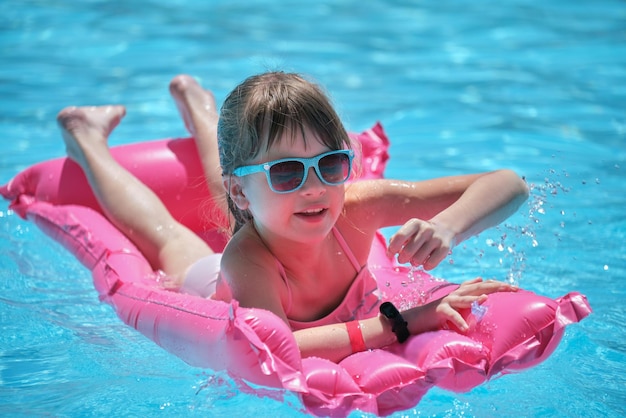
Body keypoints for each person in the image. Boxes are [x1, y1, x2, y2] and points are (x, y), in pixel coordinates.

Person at [57, 72, 529, 363]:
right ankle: (85, 136)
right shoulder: (247, 261)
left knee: (240, 171)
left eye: (330, 164)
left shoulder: (360, 207)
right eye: (286, 171)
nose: (314, 187)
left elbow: (510, 184)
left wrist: (449, 224)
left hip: (249, 193)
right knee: (165, 236)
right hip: (203, 283)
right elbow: (277, 344)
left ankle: (199, 107)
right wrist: (404, 323)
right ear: (240, 191)